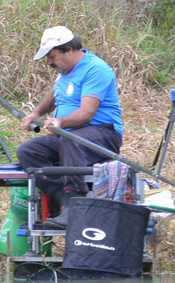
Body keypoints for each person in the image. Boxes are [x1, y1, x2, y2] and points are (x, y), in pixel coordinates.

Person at [17, 25, 123, 230]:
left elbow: (87, 113)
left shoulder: (95, 69)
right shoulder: (64, 71)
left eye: (52, 56)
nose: (49, 62)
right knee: (28, 151)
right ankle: (62, 201)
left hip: (103, 133)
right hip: (70, 135)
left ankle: (76, 203)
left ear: (69, 50)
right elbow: (56, 94)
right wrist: (36, 113)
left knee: (70, 140)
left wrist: (60, 122)